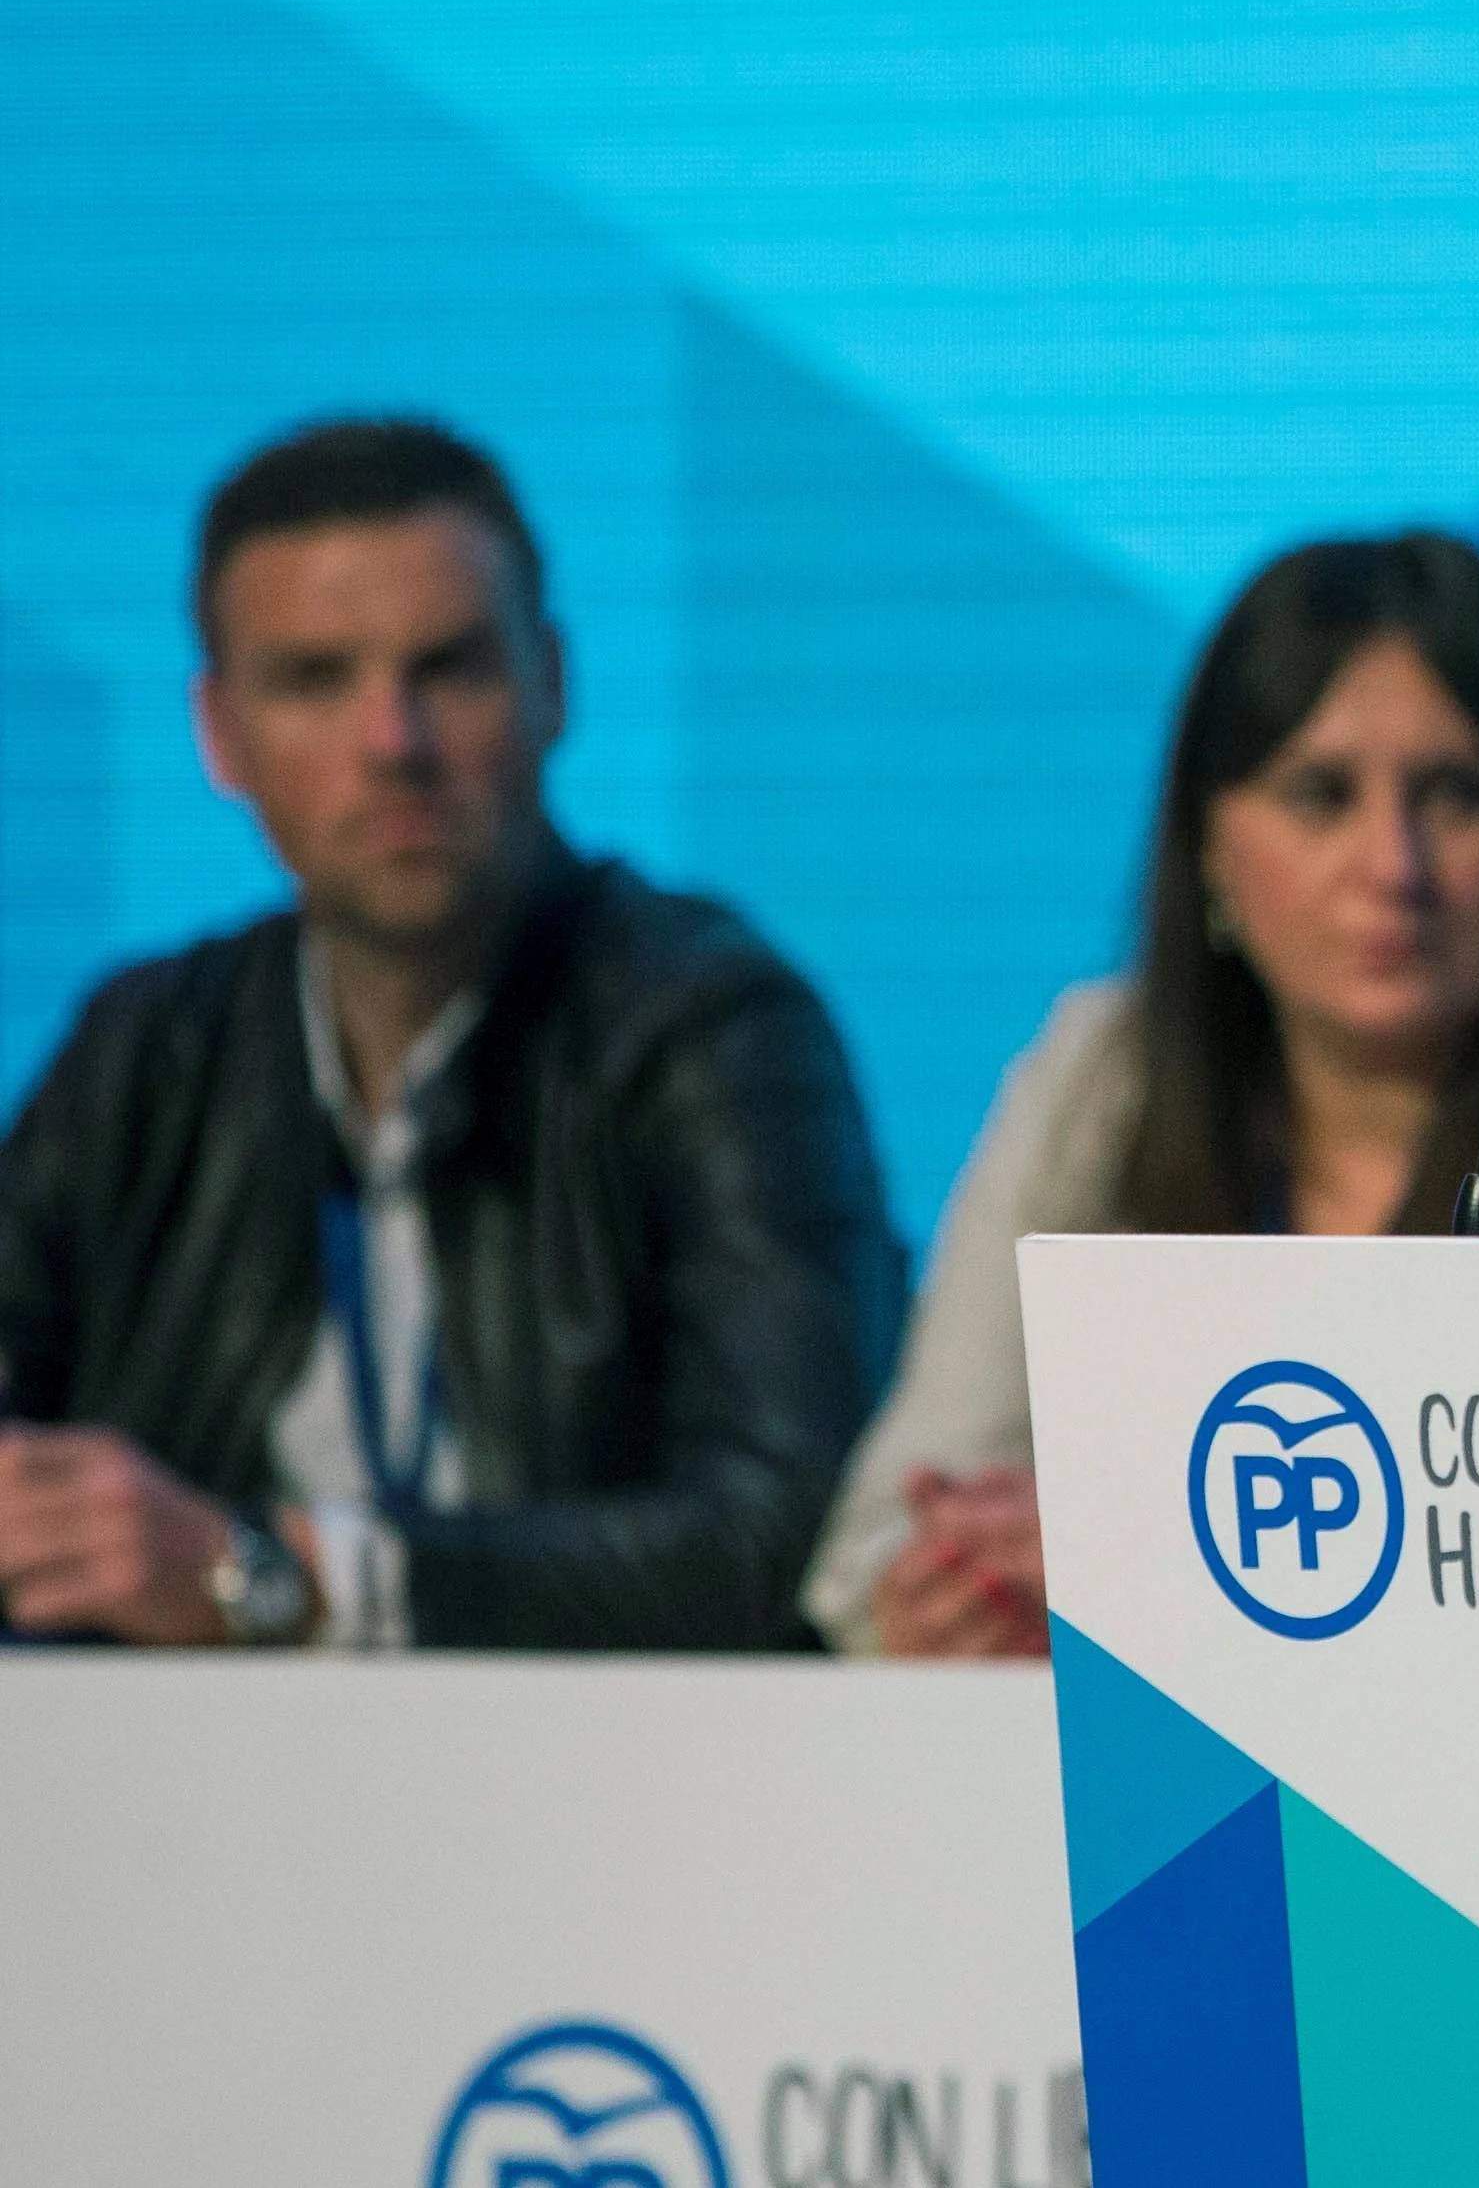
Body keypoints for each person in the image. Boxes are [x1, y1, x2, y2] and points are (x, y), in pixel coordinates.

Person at [809, 532, 1479, 1657]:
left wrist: (1138, 1572)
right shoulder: (1099, 1072)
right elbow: (882, 1540)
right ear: (1207, 841)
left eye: (1457, 794)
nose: (1393, 864)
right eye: (1320, 794)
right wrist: (939, 1597)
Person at [0, 418, 903, 1651]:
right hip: (178, 1799)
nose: (393, 743)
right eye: (314, 678)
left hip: (622, 1798)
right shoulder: (144, 1054)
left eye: (451, 667)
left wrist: (281, 1576)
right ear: (218, 732)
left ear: (553, 684)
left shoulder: (708, 1026)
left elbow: (794, 1530)